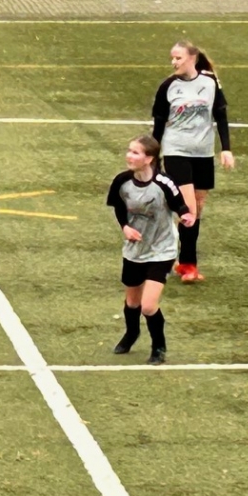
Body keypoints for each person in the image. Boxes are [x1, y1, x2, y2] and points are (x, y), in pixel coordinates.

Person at [150, 41, 231, 284]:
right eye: (172, 58)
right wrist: (153, 157)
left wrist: (226, 149)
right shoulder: (168, 86)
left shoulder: (210, 82)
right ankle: (189, 265)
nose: (174, 62)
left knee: (198, 206)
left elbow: (220, 115)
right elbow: (159, 123)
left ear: (192, 58)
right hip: (176, 151)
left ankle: (181, 261)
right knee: (190, 209)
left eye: (178, 58)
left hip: (203, 153)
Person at [107, 135, 188, 364]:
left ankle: (158, 346)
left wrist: (186, 215)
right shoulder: (122, 181)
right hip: (135, 249)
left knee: (148, 305)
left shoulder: (163, 183)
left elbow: (179, 204)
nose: (129, 156)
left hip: (162, 249)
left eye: (135, 152)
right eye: (129, 150)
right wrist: (125, 227)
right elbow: (119, 207)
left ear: (149, 158)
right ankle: (132, 333)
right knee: (132, 302)